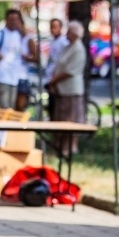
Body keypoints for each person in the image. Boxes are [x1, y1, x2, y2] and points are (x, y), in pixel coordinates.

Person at [46, 20, 87, 155]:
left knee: (71, 119)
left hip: (71, 90)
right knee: (60, 117)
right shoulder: (68, 46)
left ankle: (70, 147)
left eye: (69, 31)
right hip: (61, 90)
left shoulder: (78, 49)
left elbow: (70, 71)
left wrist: (54, 81)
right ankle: (60, 145)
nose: (66, 34)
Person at [0, 9, 25, 109]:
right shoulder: (0, 33)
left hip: (14, 76)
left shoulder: (18, 34)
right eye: (11, 19)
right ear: (6, 20)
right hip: (2, 75)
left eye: (16, 19)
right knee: (4, 107)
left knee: (11, 107)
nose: (14, 22)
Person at [44, 18, 68, 118]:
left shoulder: (63, 42)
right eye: (51, 27)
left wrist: (54, 80)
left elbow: (62, 63)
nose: (53, 29)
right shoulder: (53, 41)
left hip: (56, 78)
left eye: (55, 27)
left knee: (56, 107)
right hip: (51, 77)